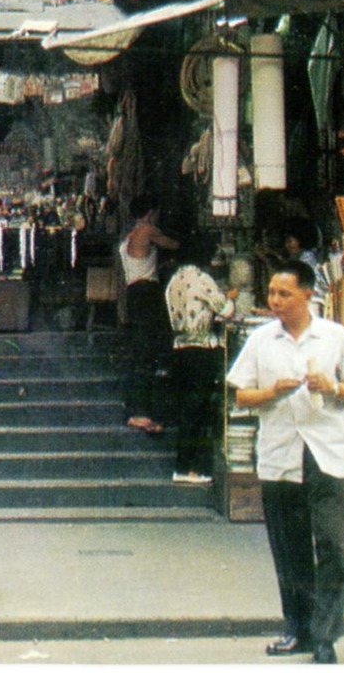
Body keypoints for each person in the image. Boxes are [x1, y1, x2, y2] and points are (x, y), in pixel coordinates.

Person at [226, 260, 344, 665]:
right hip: (280, 452)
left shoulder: (334, 336)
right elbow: (241, 396)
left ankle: (326, 635)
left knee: (331, 545)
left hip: (325, 452)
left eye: (284, 294)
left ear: (308, 294)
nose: (275, 301)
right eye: (271, 293)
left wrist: (334, 386)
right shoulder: (261, 340)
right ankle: (298, 628)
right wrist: (272, 391)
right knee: (289, 549)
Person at [164, 262, 233, 486]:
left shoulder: (174, 281)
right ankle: (188, 468)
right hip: (201, 350)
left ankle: (185, 465)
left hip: (180, 348)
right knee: (198, 408)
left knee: (188, 407)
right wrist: (229, 296)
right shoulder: (202, 279)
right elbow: (226, 309)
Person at [118, 197, 179, 434]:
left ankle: (138, 409)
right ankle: (144, 412)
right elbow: (173, 245)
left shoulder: (130, 236)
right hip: (148, 294)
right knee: (151, 351)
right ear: (151, 212)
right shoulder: (148, 230)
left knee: (140, 350)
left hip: (133, 292)